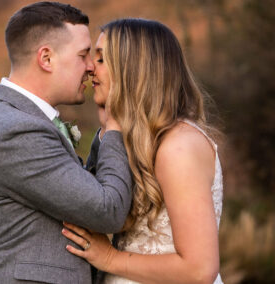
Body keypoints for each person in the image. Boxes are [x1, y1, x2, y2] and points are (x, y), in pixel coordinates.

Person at [0, 2, 133, 284]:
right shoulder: (16, 131)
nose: (91, 67)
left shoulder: (18, 119)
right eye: (83, 55)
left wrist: (104, 133)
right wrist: (115, 127)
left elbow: (81, 191)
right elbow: (108, 210)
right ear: (47, 59)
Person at [62, 18, 224, 284]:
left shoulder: (178, 146)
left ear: (132, 70)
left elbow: (200, 269)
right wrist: (108, 128)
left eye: (101, 60)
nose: (91, 68)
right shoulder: (139, 140)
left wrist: (110, 259)